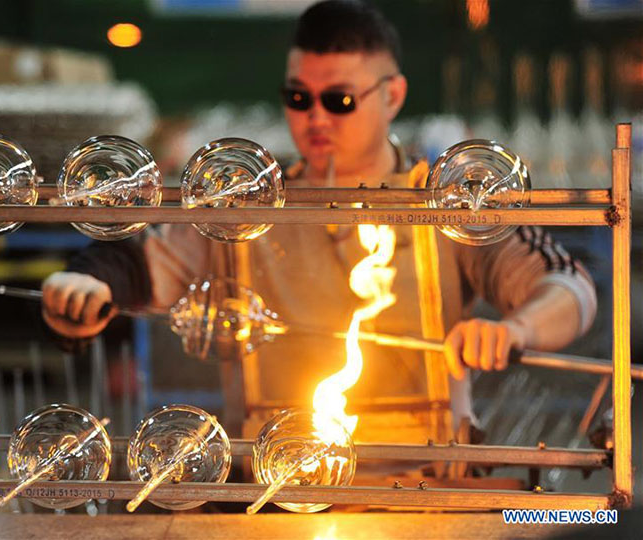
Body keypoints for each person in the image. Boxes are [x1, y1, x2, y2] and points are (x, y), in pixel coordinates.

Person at [41, 0, 596, 440]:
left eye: (340, 100)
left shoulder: (446, 200)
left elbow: (568, 287)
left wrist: (513, 329)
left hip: (423, 478)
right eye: (298, 97)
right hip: (275, 475)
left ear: (393, 95)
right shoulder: (250, 201)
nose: (316, 117)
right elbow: (144, 264)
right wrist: (88, 285)